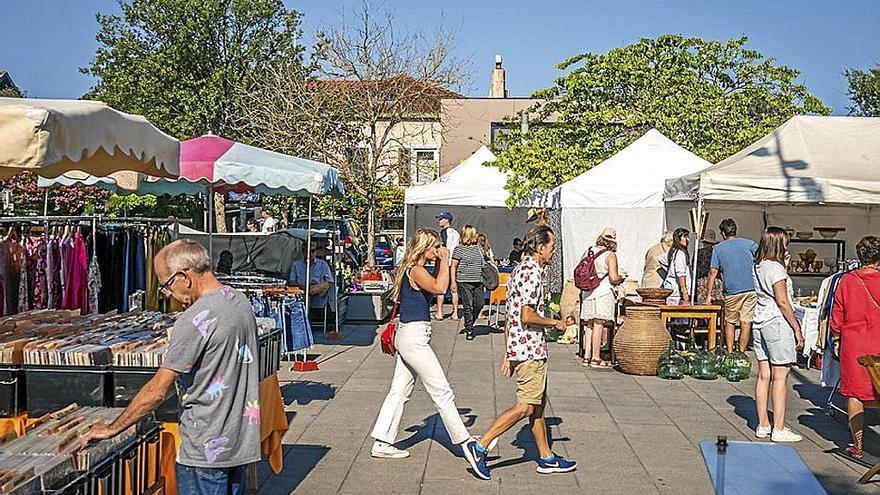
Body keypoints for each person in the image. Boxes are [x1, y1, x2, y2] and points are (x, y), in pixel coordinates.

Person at [82, 240, 260, 494]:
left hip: (205, 448)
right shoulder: (239, 302)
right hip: (239, 442)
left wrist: (113, 428)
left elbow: (157, 391)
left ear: (184, 277)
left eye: (166, 285)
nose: (168, 295)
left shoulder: (195, 319)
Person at [466, 226, 577, 480]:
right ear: (540, 248)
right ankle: (480, 445)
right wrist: (555, 323)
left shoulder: (519, 270)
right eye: (551, 246)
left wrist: (508, 352)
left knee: (537, 406)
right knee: (526, 406)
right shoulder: (532, 273)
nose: (552, 251)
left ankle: (546, 457)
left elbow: (511, 316)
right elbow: (527, 315)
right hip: (530, 349)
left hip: (522, 347)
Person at [369, 229, 482, 472]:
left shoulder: (414, 268)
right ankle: (466, 442)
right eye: (435, 246)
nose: (438, 249)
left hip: (410, 335)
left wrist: (441, 260)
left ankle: (382, 440)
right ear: (424, 247)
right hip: (414, 338)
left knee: (399, 391)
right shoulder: (417, 270)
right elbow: (441, 288)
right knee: (442, 392)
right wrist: (445, 258)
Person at [752, 227, 804, 443]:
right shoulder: (776, 269)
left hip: (759, 320)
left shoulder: (758, 265)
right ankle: (779, 428)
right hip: (776, 322)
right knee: (781, 376)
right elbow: (782, 301)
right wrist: (797, 328)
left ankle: (763, 423)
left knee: (764, 374)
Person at [830, 236, 880, 459]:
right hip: (877, 341)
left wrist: (837, 339)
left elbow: (837, 314)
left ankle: (858, 444)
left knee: (855, 394)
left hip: (854, 344)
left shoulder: (846, 281)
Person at [704, 219, 758, 353]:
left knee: (730, 322)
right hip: (750, 288)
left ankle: (729, 352)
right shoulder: (750, 244)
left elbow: (713, 272)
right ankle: (741, 352)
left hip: (732, 290)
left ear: (722, 233)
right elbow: (761, 257)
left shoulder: (718, 249)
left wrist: (708, 295)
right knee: (746, 322)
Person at [580, 228, 625, 369]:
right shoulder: (610, 255)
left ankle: (586, 356)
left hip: (588, 292)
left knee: (589, 324)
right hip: (603, 292)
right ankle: (596, 358)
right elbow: (613, 277)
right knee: (599, 323)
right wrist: (622, 278)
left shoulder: (588, 251)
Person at [289, 246, 337, 330]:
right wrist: (304, 288)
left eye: (312, 251)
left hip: (319, 293)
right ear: (303, 252)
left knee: (321, 286)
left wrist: (317, 287)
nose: (310, 254)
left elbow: (330, 282)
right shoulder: (296, 265)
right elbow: (292, 281)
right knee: (305, 293)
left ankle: (310, 291)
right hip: (302, 291)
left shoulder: (322, 264)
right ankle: (304, 321)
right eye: (307, 251)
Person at [452, 225, 486, 340]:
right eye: (475, 234)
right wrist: (453, 282)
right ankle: (469, 329)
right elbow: (453, 266)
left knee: (480, 303)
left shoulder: (478, 247)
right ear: (469, 235)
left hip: (478, 280)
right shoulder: (459, 249)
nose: (477, 235)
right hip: (464, 280)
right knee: (468, 305)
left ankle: (471, 321)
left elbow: (483, 262)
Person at [434, 211, 460, 320]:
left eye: (441, 219)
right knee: (454, 289)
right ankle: (455, 313)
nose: (439, 221)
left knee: (441, 289)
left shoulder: (444, 232)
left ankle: (439, 312)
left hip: (445, 262)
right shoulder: (456, 233)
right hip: (454, 262)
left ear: (447, 220)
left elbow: (442, 248)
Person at [661, 228, 692, 305]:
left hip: (672, 291)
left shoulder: (674, 251)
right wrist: (684, 292)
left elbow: (661, 259)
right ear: (678, 238)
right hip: (676, 293)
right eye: (685, 237)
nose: (687, 239)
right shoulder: (680, 253)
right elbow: (681, 275)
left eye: (688, 237)